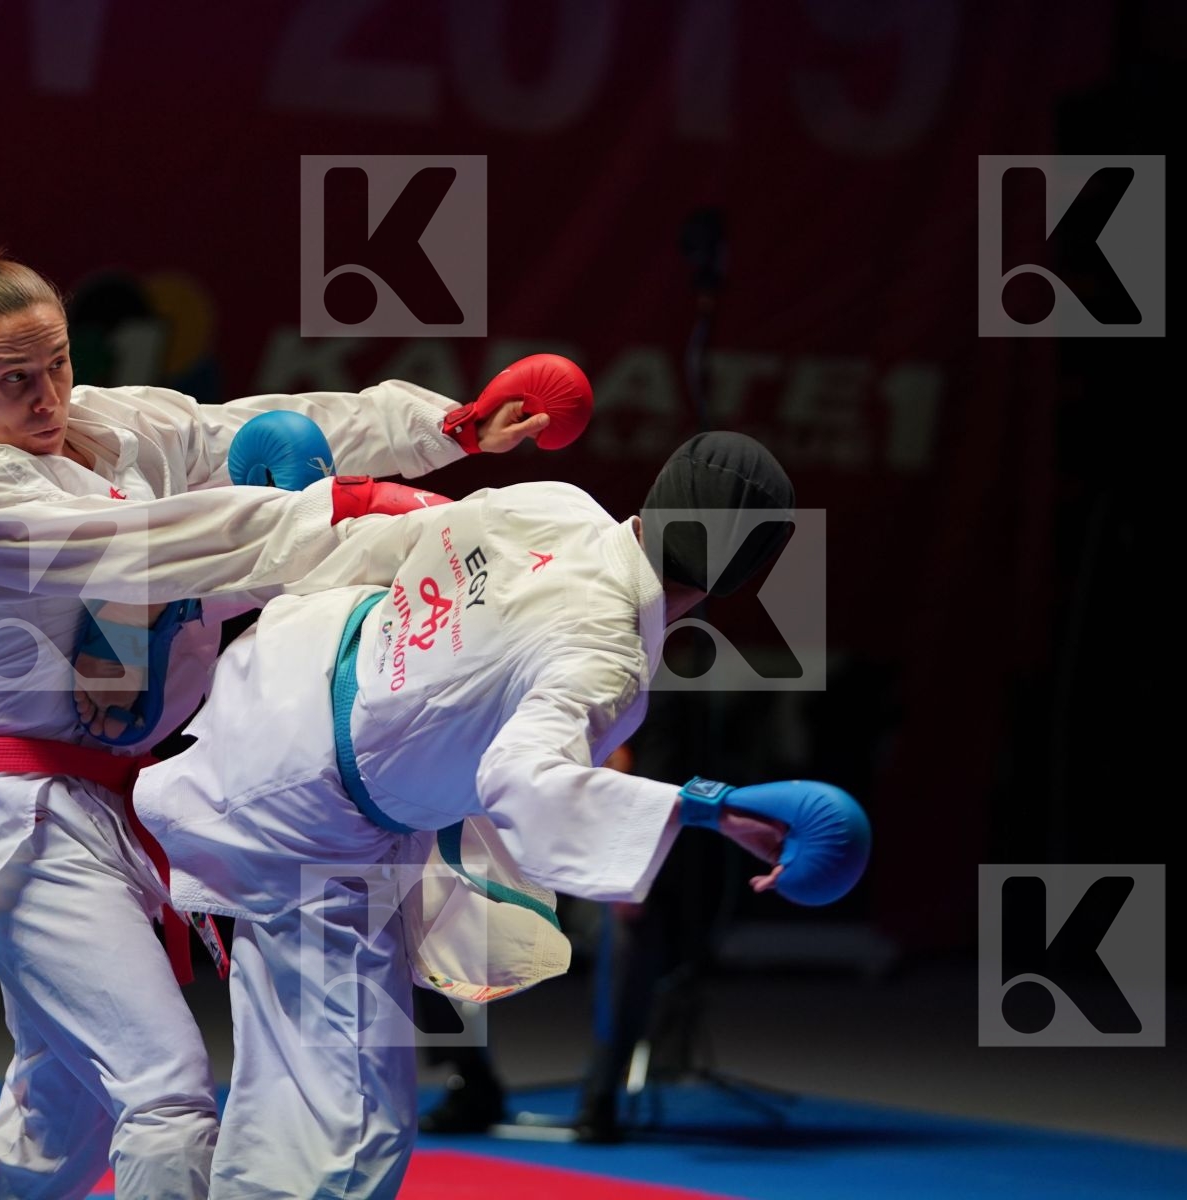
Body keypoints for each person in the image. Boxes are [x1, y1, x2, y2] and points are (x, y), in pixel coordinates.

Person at [0, 241, 559, 1199]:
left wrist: (445, 427)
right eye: (15, 381)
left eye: (59, 365)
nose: (48, 398)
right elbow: (183, 539)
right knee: (166, 1105)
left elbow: (263, 426)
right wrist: (353, 511)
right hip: (26, 821)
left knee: (57, 1131)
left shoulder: (112, 427)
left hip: (120, 804)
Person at [133, 431, 872, 1199]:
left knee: (291, 1087)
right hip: (309, 814)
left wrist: (279, 535)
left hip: (283, 676)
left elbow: (396, 538)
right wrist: (708, 810)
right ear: (748, 571)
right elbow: (523, 780)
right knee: (350, 1136)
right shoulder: (608, 652)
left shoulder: (557, 503)